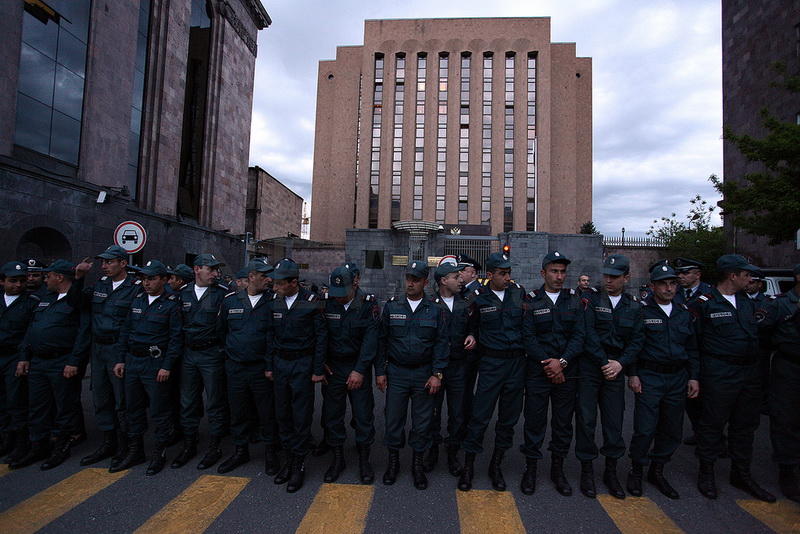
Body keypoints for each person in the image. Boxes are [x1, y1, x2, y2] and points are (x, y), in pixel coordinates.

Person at [691, 254, 775, 502]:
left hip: (749, 374)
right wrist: (695, 376)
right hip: (719, 372)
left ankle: (741, 474)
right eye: (746, 274)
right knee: (712, 424)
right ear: (732, 275)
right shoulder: (704, 303)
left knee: (745, 426)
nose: (750, 279)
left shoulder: (748, 303)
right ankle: (706, 473)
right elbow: (693, 344)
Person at [626, 263, 699, 499]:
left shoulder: (683, 311)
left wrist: (694, 376)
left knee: (671, 428)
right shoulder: (642, 311)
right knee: (645, 427)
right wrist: (633, 373)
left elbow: (692, 347)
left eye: (672, 283)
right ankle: (636, 470)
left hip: (677, 377)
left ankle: (657, 470)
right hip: (650, 376)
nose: (669, 288)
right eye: (663, 284)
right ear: (653, 286)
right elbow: (634, 344)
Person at [458, 252, 528, 492]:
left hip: (516, 364)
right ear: (490, 275)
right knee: (480, 416)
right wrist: (471, 335)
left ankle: (496, 465)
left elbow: (527, 326)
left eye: (509, 273)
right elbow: (470, 326)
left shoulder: (518, 293)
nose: (507, 278)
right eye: (502, 274)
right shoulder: (477, 297)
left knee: (508, 418)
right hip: (491, 363)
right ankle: (468, 466)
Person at [575, 254, 644, 500]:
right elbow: (587, 333)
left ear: (626, 278)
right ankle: (586, 470)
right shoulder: (591, 299)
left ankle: (611, 471)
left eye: (614, 277)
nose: (608, 280)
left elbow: (637, 340)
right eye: (606, 275)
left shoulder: (634, 305)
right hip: (592, 367)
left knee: (613, 422)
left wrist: (621, 364)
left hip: (616, 368)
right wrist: (604, 362)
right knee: (586, 421)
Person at [377, 261, 448, 490]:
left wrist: (437, 374)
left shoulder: (435, 309)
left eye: (416, 279)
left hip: (423, 374)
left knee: (422, 422)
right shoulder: (392, 306)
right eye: (408, 278)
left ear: (425, 282)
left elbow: (441, 343)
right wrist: (380, 372)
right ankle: (393, 462)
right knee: (393, 419)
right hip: (397, 372)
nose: (410, 283)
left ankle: (417, 465)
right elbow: (382, 341)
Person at [12, 260, 90, 470]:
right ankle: (38, 446)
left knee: (64, 406)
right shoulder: (45, 299)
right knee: (38, 406)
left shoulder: (76, 301)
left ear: (59, 277)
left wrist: (74, 361)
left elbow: (83, 334)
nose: (45, 280)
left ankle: (60, 446)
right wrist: (24, 357)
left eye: (48, 276)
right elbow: (32, 329)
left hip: (61, 360)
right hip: (38, 361)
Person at [520, 251, 586, 497]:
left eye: (562, 272)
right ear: (543, 273)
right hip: (539, 372)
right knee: (534, 421)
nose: (559, 276)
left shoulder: (574, 300)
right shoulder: (531, 301)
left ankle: (558, 470)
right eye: (554, 271)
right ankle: (531, 469)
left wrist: (562, 362)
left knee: (562, 423)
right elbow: (528, 337)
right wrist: (549, 365)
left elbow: (579, 335)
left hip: (567, 372)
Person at [111, 260, 183, 475]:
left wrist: (167, 366)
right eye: (144, 279)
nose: (146, 283)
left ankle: (159, 453)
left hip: (155, 363)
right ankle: (136, 451)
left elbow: (176, 338)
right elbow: (126, 331)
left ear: (164, 279)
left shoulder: (172, 303)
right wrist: (120, 359)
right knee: (133, 409)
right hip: (133, 361)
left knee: (159, 410)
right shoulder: (138, 299)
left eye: (151, 278)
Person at [266, 258, 327, 493]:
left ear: (294, 282)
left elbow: (321, 337)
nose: (275, 287)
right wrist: (269, 365)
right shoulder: (275, 301)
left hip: (302, 364)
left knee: (301, 416)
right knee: (282, 415)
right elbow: (270, 336)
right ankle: (289, 459)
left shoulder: (311, 302)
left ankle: (298, 464)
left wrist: (317, 369)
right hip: (280, 364)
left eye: (280, 283)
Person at [79, 246, 142, 468]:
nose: (104, 266)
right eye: (103, 262)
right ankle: (109, 442)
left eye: (109, 262)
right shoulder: (100, 285)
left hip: (118, 348)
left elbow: (135, 322)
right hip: (99, 349)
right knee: (101, 397)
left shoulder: (135, 287)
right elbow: (77, 304)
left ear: (123, 263)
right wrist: (79, 279)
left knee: (122, 400)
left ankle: (126, 445)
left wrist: (124, 355)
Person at [216, 260, 280, 475]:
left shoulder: (273, 301)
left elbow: (275, 336)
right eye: (264, 276)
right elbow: (221, 332)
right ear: (251, 276)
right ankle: (240, 450)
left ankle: (270, 452)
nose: (269, 279)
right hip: (236, 368)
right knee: (238, 411)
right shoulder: (231, 301)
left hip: (262, 369)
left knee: (266, 412)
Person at [320, 266, 380, 483]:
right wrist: (321, 362)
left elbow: (370, 341)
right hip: (333, 368)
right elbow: (321, 335)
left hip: (357, 366)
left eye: (343, 292)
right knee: (332, 414)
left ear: (354, 284)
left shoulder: (367, 304)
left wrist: (360, 370)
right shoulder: (327, 303)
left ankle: (364, 459)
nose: (339, 297)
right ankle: (338, 458)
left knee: (363, 415)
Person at [172, 254, 230, 471]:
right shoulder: (183, 293)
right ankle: (189, 443)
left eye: (216, 269)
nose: (215, 273)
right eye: (210, 269)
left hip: (211, 353)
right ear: (197, 269)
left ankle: (215, 446)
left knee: (214, 401)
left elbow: (227, 326)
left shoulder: (222, 294)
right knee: (188, 401)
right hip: (189, 354)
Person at [427, 260, 476, 476]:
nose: (460, 280)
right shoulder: (430, 304)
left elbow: (473, 327)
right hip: (436, 368)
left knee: (457, 414)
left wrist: (472, 335)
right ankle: (432, 450)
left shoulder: (465, 304)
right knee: (433, 412)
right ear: (443, 281)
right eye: (456, 277)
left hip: (458, 367)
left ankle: (453, 452)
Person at [756, 263, 800, 503]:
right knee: (785, 418)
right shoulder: (780, 304)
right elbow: (762, 336)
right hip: (789, 366)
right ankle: (787, 468)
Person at [0, 262, 40, 463]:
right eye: (13, 281)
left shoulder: (31, 302)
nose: (18, 285)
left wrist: (23, 358)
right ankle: (5, 439)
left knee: (16, 401)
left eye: (21, 281)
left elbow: (30, 333)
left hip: (15, 357)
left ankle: (20, 442)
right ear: (2, 281)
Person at [673, 257, 713, 446]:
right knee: (690, 397)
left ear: (698, 274)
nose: (680, 276)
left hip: (706, 353)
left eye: (685, 273)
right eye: (678, 273)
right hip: (684, 351)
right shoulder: (675, 292)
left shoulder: (710, 293)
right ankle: (699, 432)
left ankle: (714, 438)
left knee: (710, 399)